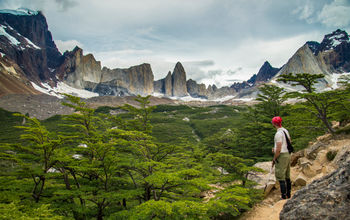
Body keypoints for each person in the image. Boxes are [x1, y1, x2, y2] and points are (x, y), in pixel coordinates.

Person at [271, 116, 292, 199]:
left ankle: (283, 196)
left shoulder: (278, 134)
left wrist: (275, 157)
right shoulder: (285, 130)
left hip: (282, 155)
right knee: (287, 174)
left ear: (274, 123)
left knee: (280, 175)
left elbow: (279, 147)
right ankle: (288, 194)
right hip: (287, 153)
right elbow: (289, 141)